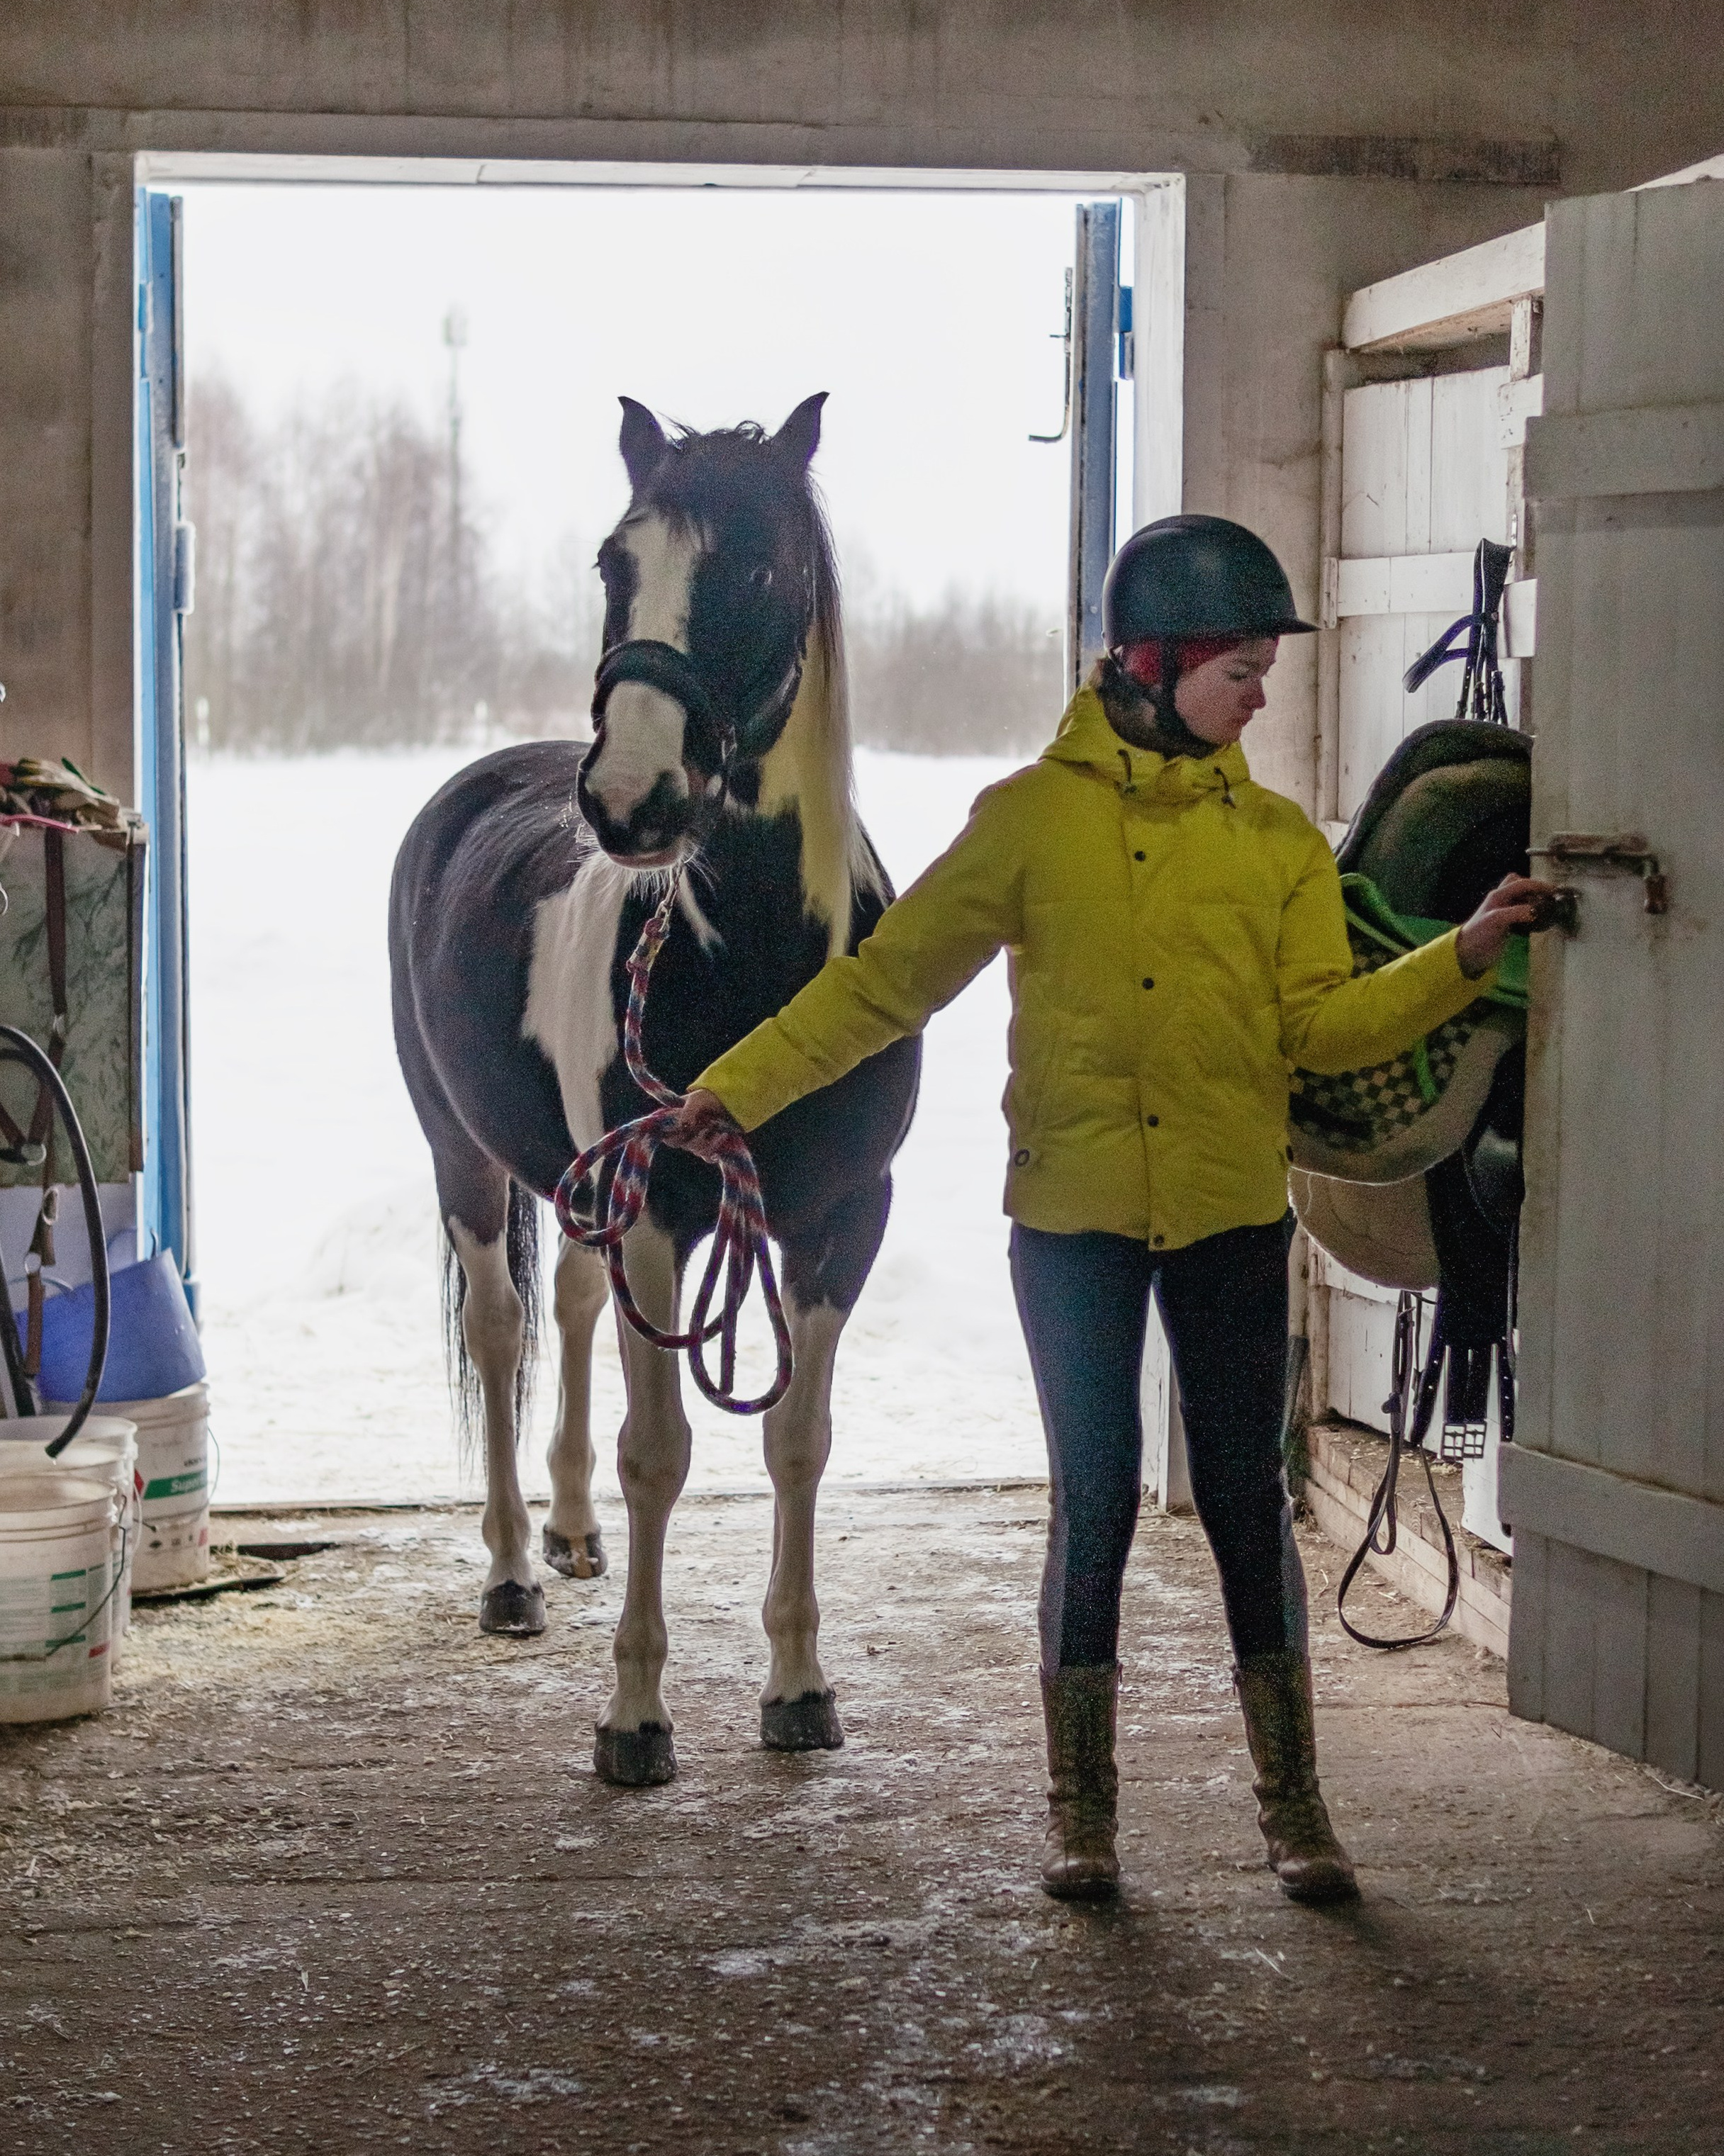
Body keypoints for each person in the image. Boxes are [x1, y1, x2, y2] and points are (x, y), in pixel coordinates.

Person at [667, 515, 1552, 1906]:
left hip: (1224, 1222)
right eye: (1238, 670)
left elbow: (1319, 1029)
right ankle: (1083, 1821)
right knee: (1093, 1506)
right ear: (1152, 662)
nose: (1260, 694)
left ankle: (1294, 1814)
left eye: (1264, 671)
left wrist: (1462, 957)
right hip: (1072, 1233)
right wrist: (737, 1087)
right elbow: (883, 985)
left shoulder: (1270, 847)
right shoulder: (1027, 825)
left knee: (1251, 1512)